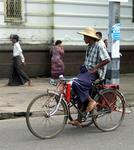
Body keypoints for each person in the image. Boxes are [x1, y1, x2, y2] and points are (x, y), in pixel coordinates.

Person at [68, 27, 110, 126]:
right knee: (75, 88)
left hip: (95, 73)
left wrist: (95, 68)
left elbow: (107, 59)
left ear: (89, 37)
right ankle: (79, 119)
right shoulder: (89, 46)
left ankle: (91, 101)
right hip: (86, 71)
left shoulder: (99, 45)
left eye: (84, 37)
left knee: (76, 83)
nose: (83, 39)